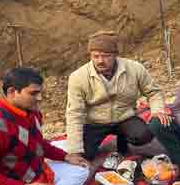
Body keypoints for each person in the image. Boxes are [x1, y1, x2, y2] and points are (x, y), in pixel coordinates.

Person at [66, 30, 167, 160]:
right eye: (95, 56)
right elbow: (74, 113)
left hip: (125, 117)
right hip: (95, 122)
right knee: (85, 154)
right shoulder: (78, 77)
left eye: (106, 56)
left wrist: (158, 110)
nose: (100, 61)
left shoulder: (135, 69)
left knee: (143, 135)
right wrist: (74, 150)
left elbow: (153, 92)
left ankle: (123, 140)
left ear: (115, 55)